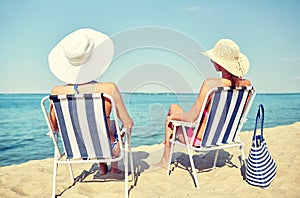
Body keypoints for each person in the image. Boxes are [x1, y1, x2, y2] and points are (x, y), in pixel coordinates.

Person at [48, 28, 134, 175]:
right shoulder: (108, 89)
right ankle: (114, 167)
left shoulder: (56, 92)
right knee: (109, 126)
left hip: (76, 148)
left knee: (91, 126)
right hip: (108, 148)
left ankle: (102, 167)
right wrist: (126, 129)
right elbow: (128, 123)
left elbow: (53, 128)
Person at [158, 39, 251, 167]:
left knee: (171, 114)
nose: (212, 61)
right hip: (225, 136)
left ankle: (165, 158)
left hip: (201, 139)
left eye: (213, 59)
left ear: (219, 64)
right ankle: (165, 155)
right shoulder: (247, 85)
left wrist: (172, 118)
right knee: (174, 108)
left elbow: (190, 119)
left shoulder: (211, 85)